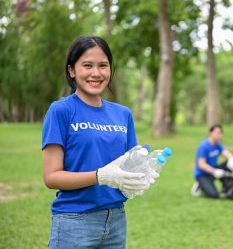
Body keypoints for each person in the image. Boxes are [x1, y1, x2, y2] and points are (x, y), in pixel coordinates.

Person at [42, 36, 157, 248]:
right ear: (72, 70)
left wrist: (143, 174)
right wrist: (100, 176)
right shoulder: (61, 111)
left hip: (115, 220)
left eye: (103, 65)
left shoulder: (123, 114)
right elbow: (51, 177)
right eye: (87, 65)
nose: (96, 73)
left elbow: (128, 167)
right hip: (73, 221)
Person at [191, 124, 233, 198]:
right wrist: (214, 171)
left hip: (213, 170)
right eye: (218, 133)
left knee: (228, 165)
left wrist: (232, 159)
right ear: (211, 133)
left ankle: (225, 188)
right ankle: (199, 185)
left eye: (221, 133)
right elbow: (201, 164)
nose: (220, 135)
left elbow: (226, 154)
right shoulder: (204, 146)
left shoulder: (217, 144)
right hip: (203, 174)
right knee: (214, 195)